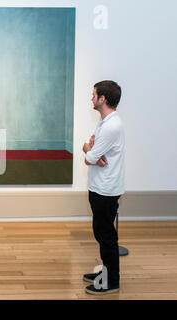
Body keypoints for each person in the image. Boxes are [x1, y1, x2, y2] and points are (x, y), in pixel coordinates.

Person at [82, 80, 125, 295]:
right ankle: (105, 274)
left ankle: (111, 281)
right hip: (99, 187)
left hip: (106, 191)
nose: (91, 98)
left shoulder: (111, 126)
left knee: (106, 236)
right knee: (101, 233)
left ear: (103, 99)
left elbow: (89, 157)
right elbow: (87, 146)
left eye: (94, 95)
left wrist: (92, 152)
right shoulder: (103, 121)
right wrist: (91, 150)